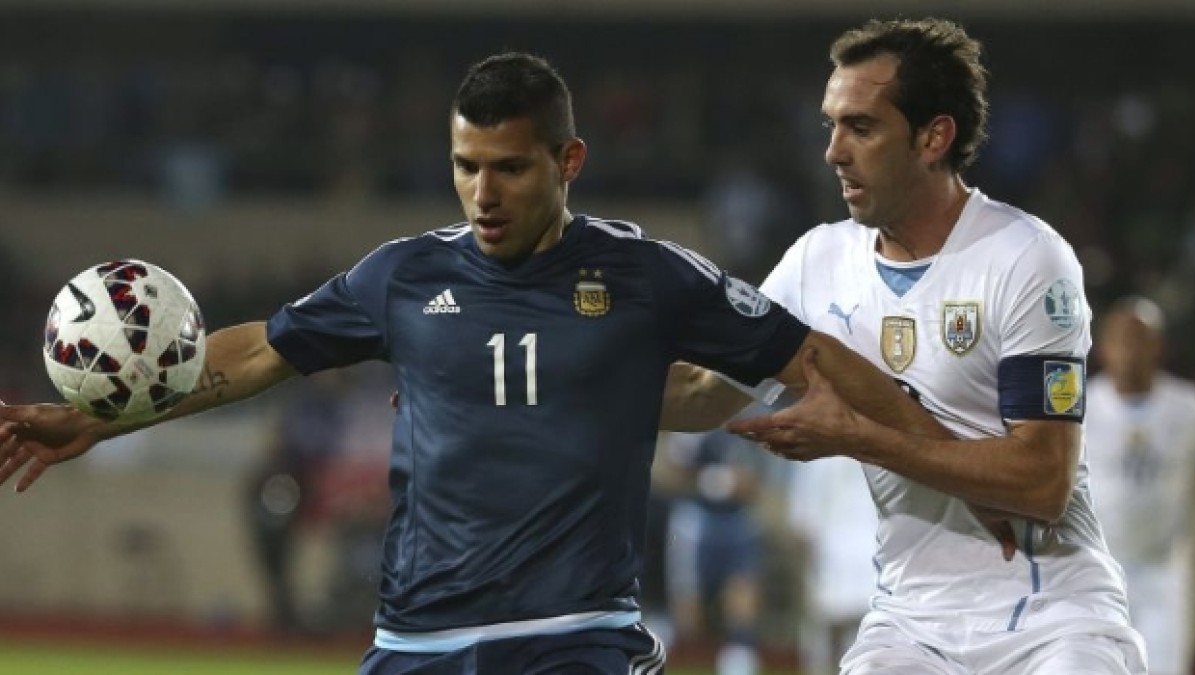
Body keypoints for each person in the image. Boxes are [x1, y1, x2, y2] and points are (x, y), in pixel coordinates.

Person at [0, 52, 958, 675]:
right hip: (417, 640)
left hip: (576, 636)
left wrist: (959, 465)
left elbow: (815, 357)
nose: (483, 192)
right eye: (466, 166)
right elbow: (257, 351)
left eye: (510, 167)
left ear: (568, 160)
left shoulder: (649, 276)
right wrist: (100, 416)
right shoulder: (403, 276)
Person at [681, 17, 1148, 675]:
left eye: (861, 127)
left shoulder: (1024, 257)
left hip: (1053, 616)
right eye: (831, 126)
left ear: (934, 137)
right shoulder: (817, 261)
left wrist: (860, 436)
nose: (834, 151)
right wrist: (573, 370)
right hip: (911, 623)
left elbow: (1043, 482)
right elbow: (702, 392)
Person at [1086, 296, 1195, 675]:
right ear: (1104, 348)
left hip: (1165, 572)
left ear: (1159, 347)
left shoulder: (1190, 409)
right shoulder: (1081, 410)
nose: (1131, 352)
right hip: (1099, 572)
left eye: (1141, 340)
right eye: (1122, 341)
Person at [659, 409, 773, 675]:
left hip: (739, 519)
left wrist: (744, 484)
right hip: (697, 522)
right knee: (689, 608)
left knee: (742, 591)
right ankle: (674, 650)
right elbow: (670, 474)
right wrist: (711, 482)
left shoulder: (752, 421)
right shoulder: (692, 427)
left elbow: (759, 482)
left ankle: (740, 654)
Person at [787, 455, 876, 675]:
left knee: (837, 634)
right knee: (846, 634)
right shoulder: (818, 458)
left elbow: (802, 521)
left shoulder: (815, 454)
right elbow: (803, 519)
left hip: (853, 556)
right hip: (847, 555)